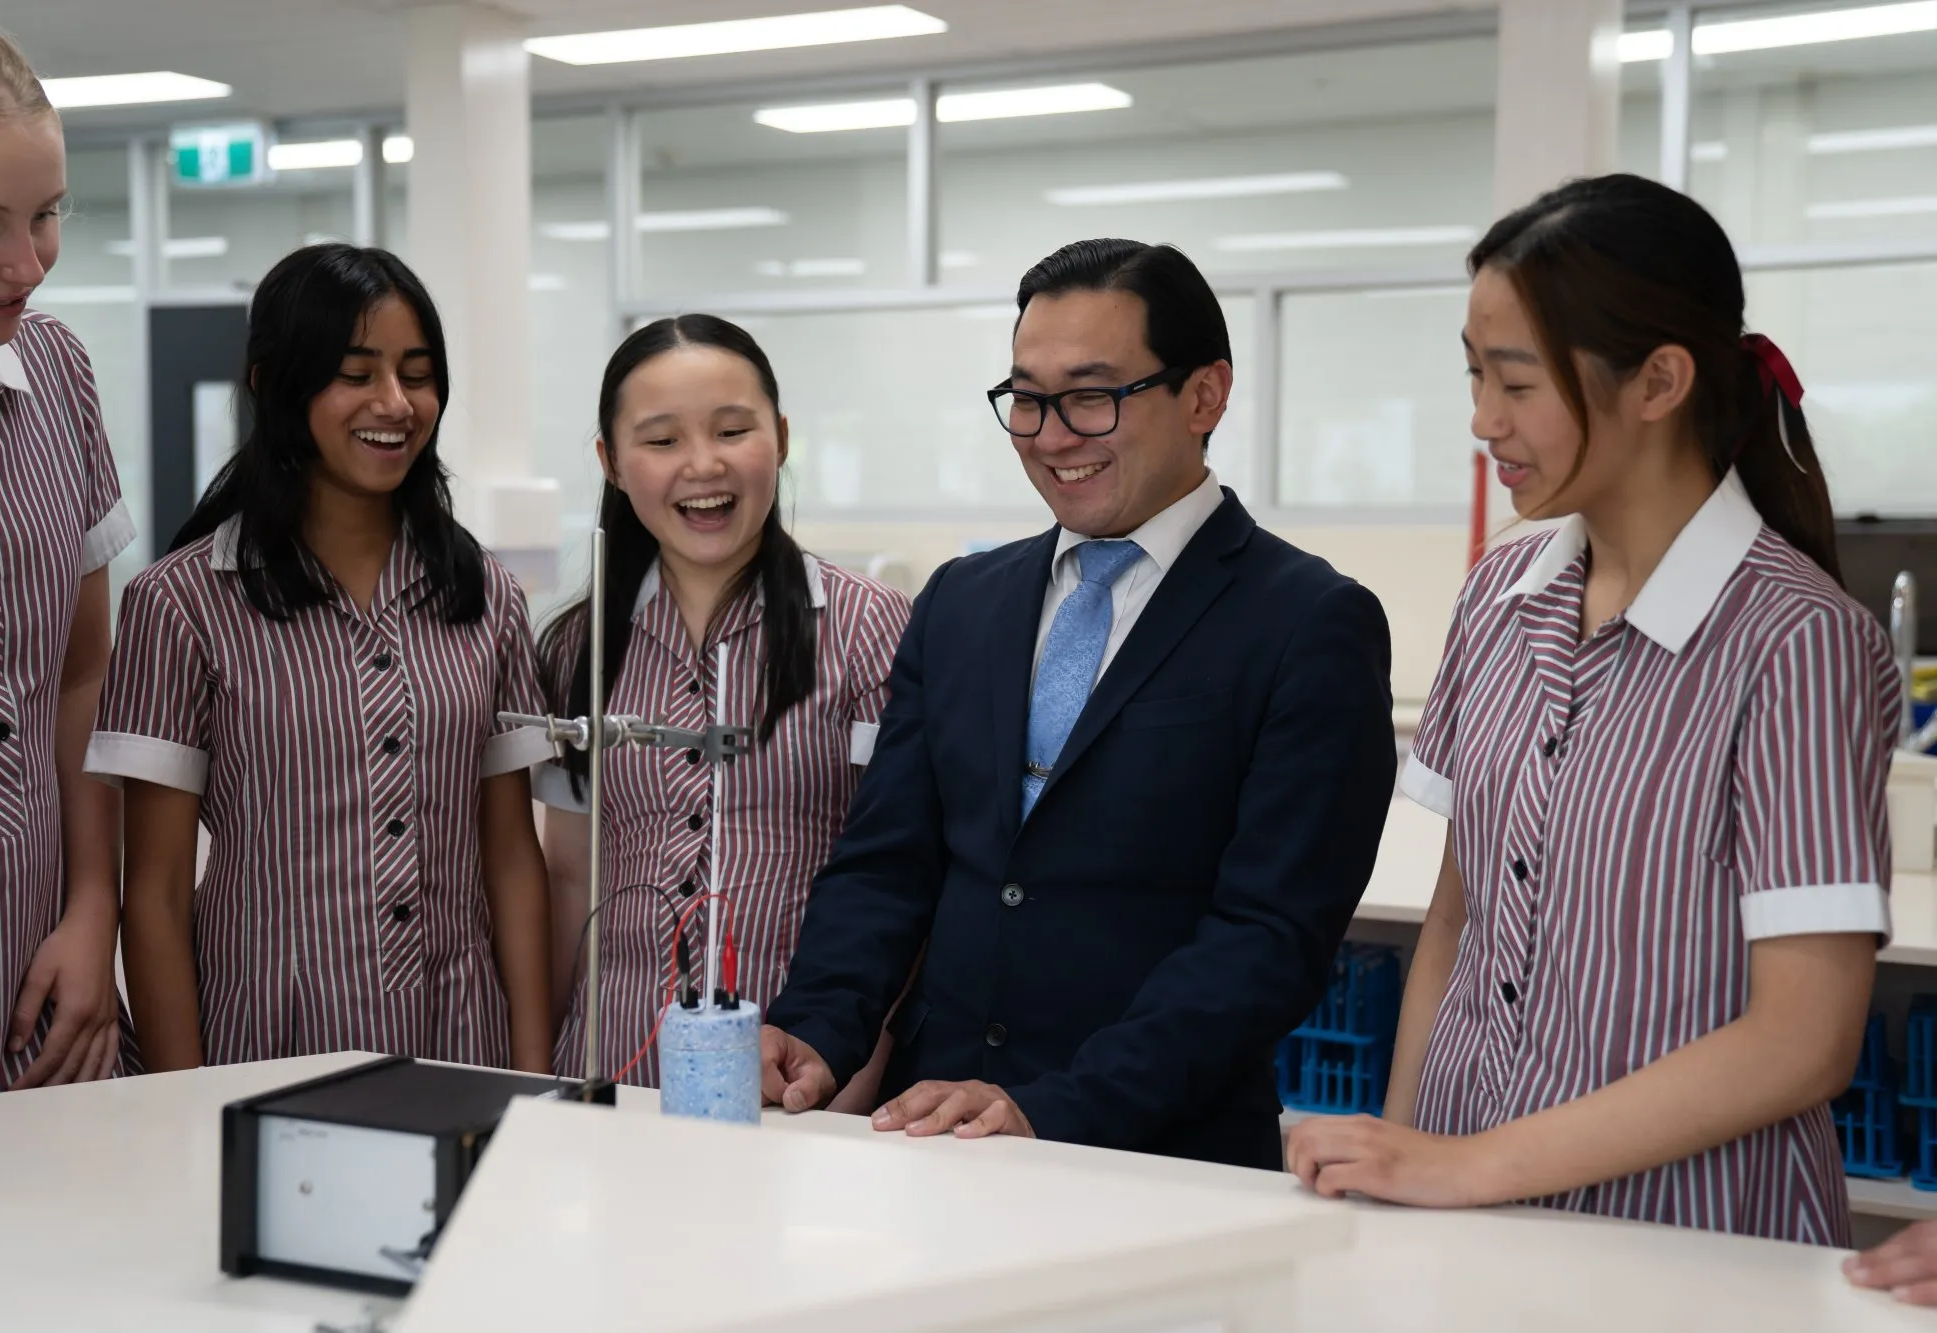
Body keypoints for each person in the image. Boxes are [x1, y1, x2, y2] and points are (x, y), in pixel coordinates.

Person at [1287, 175, 1893, 1247]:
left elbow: (1801, 1039)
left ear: (1658, 379)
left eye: (1513, 383)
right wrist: (1400, 1153)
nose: (1482, 421)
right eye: (1473, 376)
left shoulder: (1796, 641)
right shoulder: (1496, 594)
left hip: (1683, 1241)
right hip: (1460, 1220)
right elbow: (1454, 922)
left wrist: (1470, 1166)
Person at [759, 239, 1397, 1168]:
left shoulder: (1308, 622)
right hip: (938, 1143)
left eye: (1092, 395)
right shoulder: (962, 603)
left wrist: (1051, 1107)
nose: (1052, 434)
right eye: (1026, 398)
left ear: (1205, 395)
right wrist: (816, 1026)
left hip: (1164, 1157)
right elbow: (888, 863)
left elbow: (1268, 938)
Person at [86, 244, 556, 1073]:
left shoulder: (487, 596)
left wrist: (529, 1074)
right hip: (263, 1048)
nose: (395, 403)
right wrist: (184, 1105)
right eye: (355, 372)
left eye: (417, 374)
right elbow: (153, 895)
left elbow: (512, 857)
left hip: (458, 1043)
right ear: (274, 383)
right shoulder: (183, 604)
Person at [535, 315, 911, 1104]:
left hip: (795, 1073)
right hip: (613, 1065)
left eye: (733, 429)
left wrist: (853, 1077)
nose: (703, 465)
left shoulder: (870, 626)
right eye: (662, 440)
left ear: (778, 436)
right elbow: (570, 874)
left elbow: (904, 877)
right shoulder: (578, 646)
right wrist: (549, 1071)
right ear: (610, 461)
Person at [0, 17, 134, 1098]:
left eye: (48, 215)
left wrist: (92, 908)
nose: (27, 264)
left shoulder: (53, 369)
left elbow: (82, 673)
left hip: (34, 969)